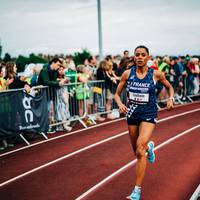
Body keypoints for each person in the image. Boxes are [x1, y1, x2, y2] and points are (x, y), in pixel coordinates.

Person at [115, 45, 174, 200]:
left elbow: (169, 87)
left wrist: (170, 98)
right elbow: (116, 94)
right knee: (137, 151)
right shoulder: (128, 74)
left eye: (143, 55)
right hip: (132, 114)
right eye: (137, 55)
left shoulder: (156, 74)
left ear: (148, 57)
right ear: (134, 57)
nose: (140, 57)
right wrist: (120, 104)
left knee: (140, 151)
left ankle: (137, 190)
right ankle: (150, 147)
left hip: (148, 114)